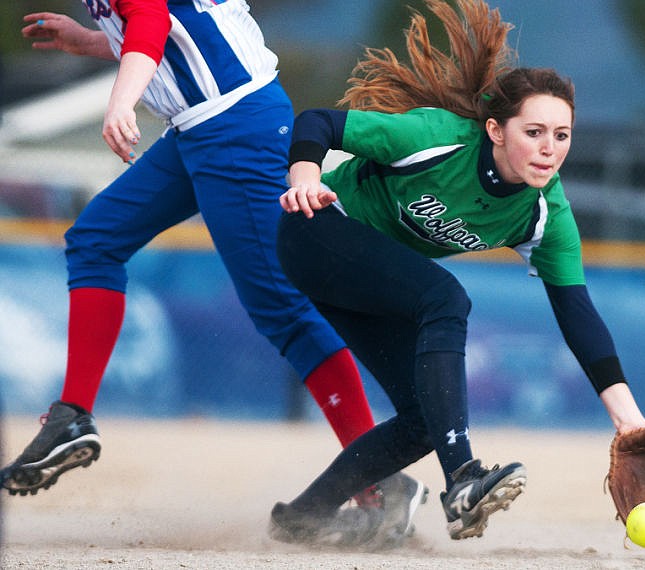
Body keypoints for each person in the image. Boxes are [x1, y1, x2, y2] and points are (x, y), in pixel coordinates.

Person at [0, 0, 426, 547]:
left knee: (287, 315)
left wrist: (121, 103)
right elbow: (172, 31)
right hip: (200, 129)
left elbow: (152, 19)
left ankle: (379, 481)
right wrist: (89, 40)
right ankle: (73, 415)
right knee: (95, 239)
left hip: (235, 126)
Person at [269, 0, 645, 543]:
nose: (549, 149)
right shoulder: (437, 138)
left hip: (371, 279)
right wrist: (305, 175)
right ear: (496, 130)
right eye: (535, 132)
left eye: (561, 136)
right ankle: (463, 481)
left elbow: (576, 311)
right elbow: (316, 122)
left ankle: (301, 519)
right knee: (445, 299)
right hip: (318, 229)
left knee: (424, 419)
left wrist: (628, 419)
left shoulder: (545, 214)